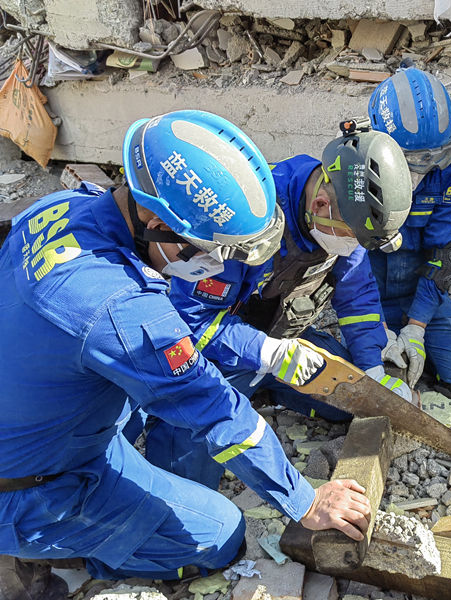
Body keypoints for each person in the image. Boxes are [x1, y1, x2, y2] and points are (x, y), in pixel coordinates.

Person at [0, 110, 371, 600]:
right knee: (220, 537)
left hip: (37, 419)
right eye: (211, 250)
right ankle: (35, 549)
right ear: (156, 223)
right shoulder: (122, 311)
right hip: (35, 486)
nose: (217, 266)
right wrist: (304, 501)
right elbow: (215, 407)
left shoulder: (61, 207)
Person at [147, 124, 414, 489]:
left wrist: (372, 368)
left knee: (350, 404)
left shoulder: (343, 218)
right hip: (218, 350)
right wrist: (268, 354)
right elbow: (192, 320)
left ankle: (264, 384)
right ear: (320, 205)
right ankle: (226, 394)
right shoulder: (244, 218)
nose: (354, 250)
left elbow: (358, 298)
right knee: (187, 476)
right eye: (354, 241)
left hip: (281, 338)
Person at [367, 67, 451, 403]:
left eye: (434, 159)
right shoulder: (354, 164)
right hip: (368, 295)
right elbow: (347, 265)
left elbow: (443, 256)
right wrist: (374, 327)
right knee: (378, 385)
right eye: (410, 162)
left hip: (417, 293)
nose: (421, 173)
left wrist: (416, 328)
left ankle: (417, 342)